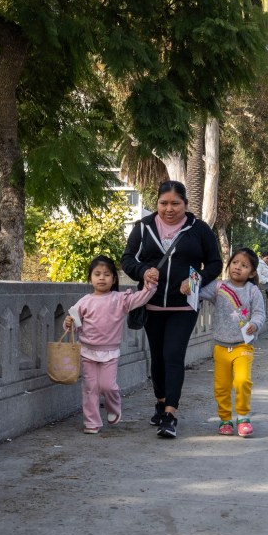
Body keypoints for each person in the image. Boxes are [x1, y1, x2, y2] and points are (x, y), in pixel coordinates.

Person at [121, 180, 223, 439]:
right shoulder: (143, 228)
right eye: (163, 203)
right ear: (156, 204)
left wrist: (196, 278)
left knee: (173, 355)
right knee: (157, 357)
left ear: (186, 205)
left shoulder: (199, 230)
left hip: (183, 307)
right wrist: (144, 270)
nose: (169, 209)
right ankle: (160, 400)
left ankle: (170, 414)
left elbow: (215, 263)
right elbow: (127, 259)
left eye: (175, 203)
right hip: (151, 305)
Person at [64, 256, 157, 434]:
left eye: (106, 274)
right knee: (90, 388)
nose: (101, 278)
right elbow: (74, 325)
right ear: (90, 278)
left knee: (108, 386)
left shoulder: (120, 299)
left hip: (110, 353)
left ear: (114, 279)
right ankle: (92, 422)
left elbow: (141, 298)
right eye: (97, 274)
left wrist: (150, 285)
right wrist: (68, 323)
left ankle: (114, 408)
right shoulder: (84, 301)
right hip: (87, 352)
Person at [198, 248, 267, 437]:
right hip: (220, 346)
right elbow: (199, 293)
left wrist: (255, 323)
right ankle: (225, 419)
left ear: (252, 272)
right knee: (221, 386)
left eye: (244, 266)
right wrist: (189, 287)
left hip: (243, 345)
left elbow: (260, 313)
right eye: (235, 263)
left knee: (243, 381)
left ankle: (243, 417)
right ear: (229, 265)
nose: (238, 267)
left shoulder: (253, 291)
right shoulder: (218, 287)